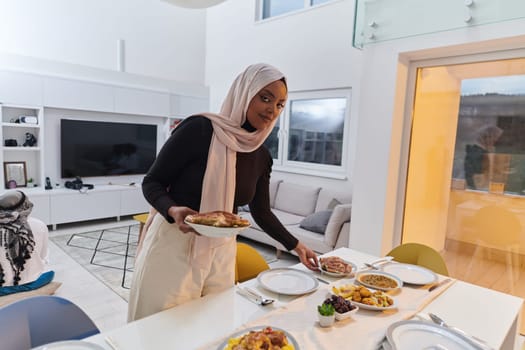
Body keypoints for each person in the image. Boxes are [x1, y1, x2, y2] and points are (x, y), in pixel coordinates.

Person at [128, 63, 320, 321]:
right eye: (265, 98)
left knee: (210, 325)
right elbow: (152, 182)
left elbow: (261, 212)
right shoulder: (199, 129)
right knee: (161, 328)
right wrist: (173, 210)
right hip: (174, 245)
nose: (272, 110)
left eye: (280, 104)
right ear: (244, 92)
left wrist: (296, 246)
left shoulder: (261, 154)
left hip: (221, 251)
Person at [464, 125, 503, 189]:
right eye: (495, 140)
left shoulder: (477, 151)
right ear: (487, 138)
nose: (495, 143)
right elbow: (477, 180)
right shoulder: (478, 154)